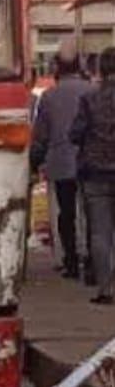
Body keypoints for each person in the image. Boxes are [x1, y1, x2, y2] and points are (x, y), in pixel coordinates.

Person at [31, 39, 93, 278]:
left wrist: (35, 161)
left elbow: (41, 135)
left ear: (57, 67)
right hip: (89, 162)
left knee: (66, 214)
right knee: (90, 213)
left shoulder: (48, 97)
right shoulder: (91, 91)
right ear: (80, 65)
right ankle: (91, 259)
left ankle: (70, 261)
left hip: (60, 163)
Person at [70, 46, 115, 304]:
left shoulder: (90, 99)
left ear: (101, 70)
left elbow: (76, 133)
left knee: (100, 233)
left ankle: (105, 290)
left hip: (95, 172)